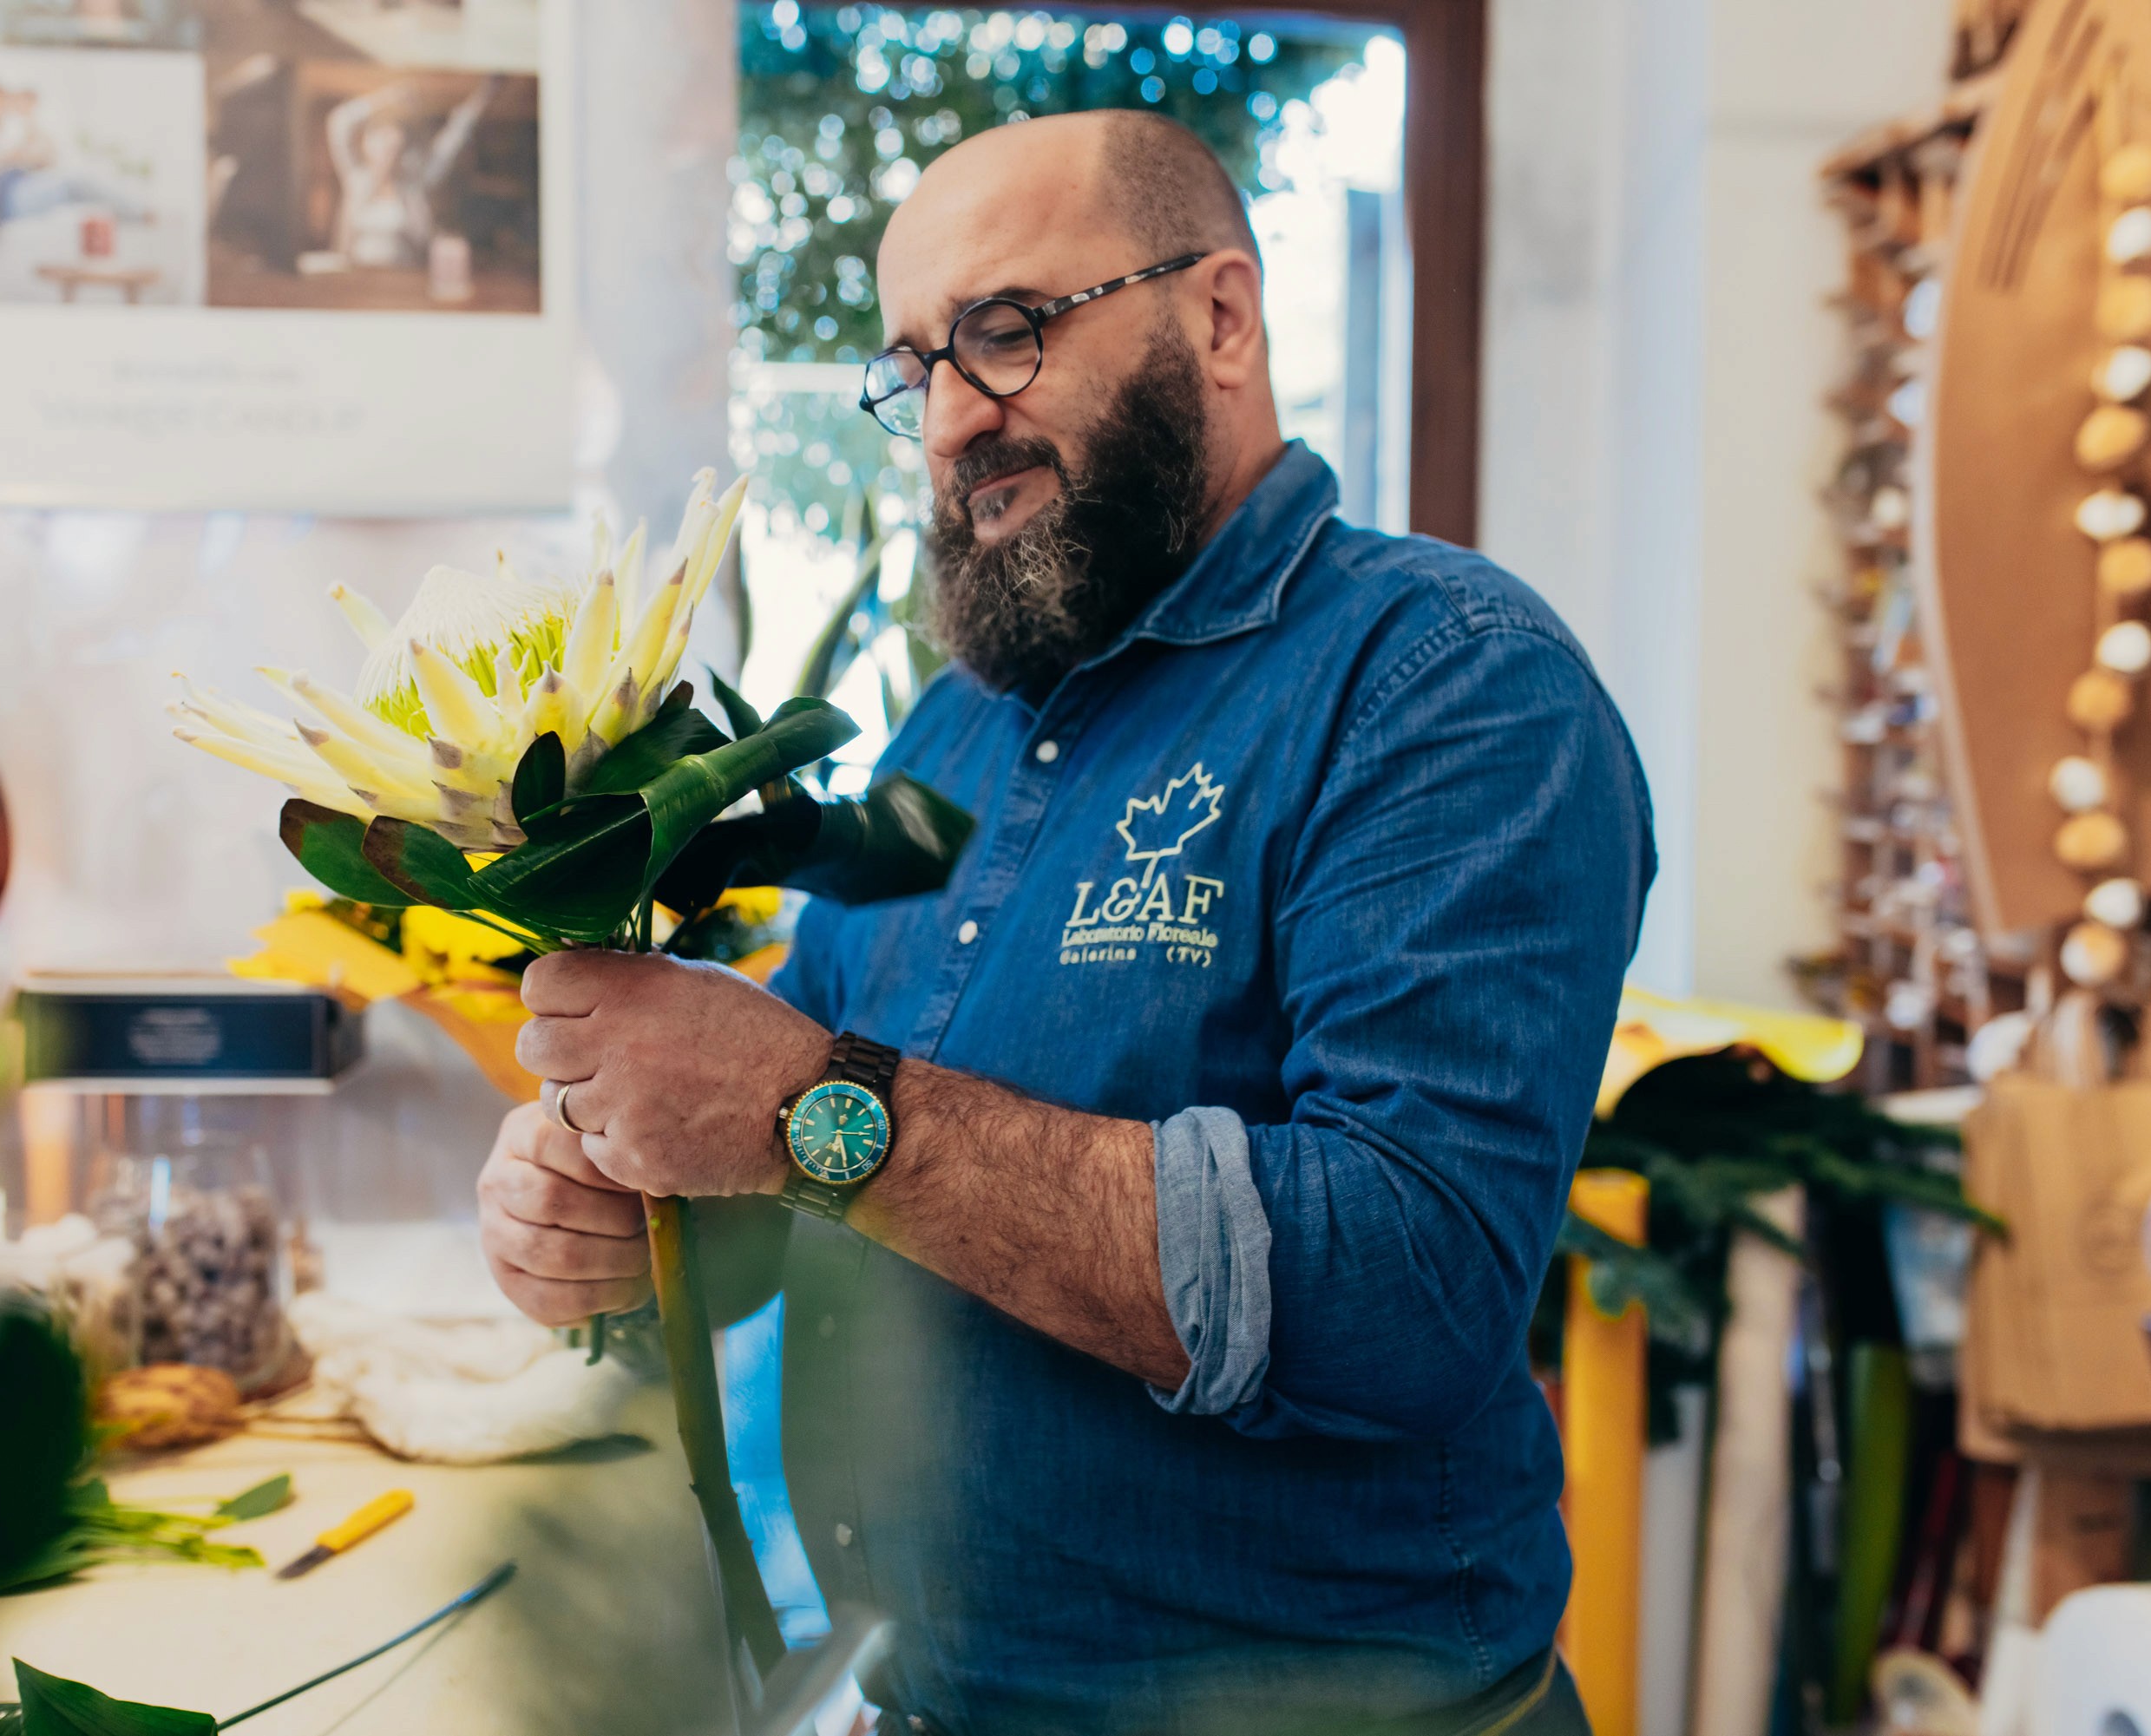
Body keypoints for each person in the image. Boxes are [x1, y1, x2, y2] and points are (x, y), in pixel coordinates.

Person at [477, 110, 1653, 1736]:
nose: (955, 418)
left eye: (1008, 333)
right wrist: (617, 1210)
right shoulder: (955, 733)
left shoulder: (1445, 679)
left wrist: (797, 1111)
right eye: (914, 367)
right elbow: (788, 1175)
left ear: (1222, 317)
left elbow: (1406, 1286)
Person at [326, 76, 497, 270]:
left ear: (401, 150)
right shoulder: (356, 180)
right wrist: (388, 97)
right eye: (379, 144)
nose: (386, 154)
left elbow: (450, 142)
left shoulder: (413, 184)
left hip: (405, 279)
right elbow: (339, 122)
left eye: (393, 147)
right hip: (356, 278)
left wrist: (484, 95)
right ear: (366, 145)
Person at [0, 80, 148, 227]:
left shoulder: (0, 131)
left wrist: (29, 141)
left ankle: (136, 212)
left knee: (78, 186)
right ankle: (140, 212)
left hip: (17, 188)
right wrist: (20, 155)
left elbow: (41, 156)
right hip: (7, 199)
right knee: (77, 182)